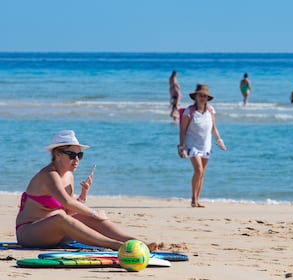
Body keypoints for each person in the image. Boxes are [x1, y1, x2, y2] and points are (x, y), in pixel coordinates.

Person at [15, 130, 157, 251]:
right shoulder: (49, 175)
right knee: (63, 218)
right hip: (30, 233)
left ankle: (136, 242)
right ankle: (117, 245)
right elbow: (66, 202)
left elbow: (69, 209)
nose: (76, 160)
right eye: (71, 155)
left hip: (55, 232)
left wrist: (83, 196)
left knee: (82, 217)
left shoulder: (69, 176)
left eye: (79, 155)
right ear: (57, 154)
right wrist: (95, 213)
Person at [178, 84, 226, 208]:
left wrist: (219, 140)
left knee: (202, 173)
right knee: (198, 170)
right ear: (196, 97)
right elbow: (182, 130)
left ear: (207, 98)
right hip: (191, 145)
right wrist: (181, 147)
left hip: (206, 145)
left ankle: (197, 199)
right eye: (200, 95)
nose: (202, 98)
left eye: (204, 96)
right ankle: (193, 199)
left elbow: (214, 127)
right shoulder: (189, 111)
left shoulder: (210, 110)